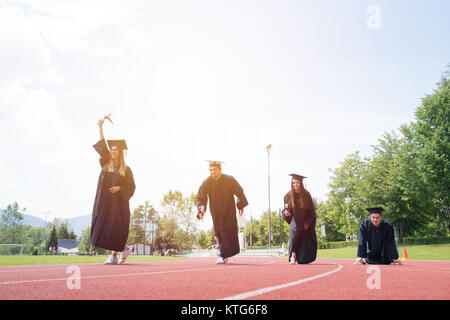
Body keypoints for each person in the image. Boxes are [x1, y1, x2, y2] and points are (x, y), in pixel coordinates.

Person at [91, 115, 136, 265]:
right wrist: (100, 127)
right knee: (105, 228)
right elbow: (102, 146)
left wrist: (120, 188)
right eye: (112, 149)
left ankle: (114, 255)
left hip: (119, 204)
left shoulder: (126, 169)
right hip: (105, 203)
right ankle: (125, 249)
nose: (113, 151)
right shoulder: (106, 164)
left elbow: (131, 187)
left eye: (116, 149)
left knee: (115, 228)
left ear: (120, 152)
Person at [196, 160, 248, 264]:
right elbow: (201, 196)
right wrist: (201, 208)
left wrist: (240, 205)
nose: (212, 172)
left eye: (214, 170)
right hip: (216, 211)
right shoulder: (207, 181)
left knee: (228, 230)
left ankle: (222, 254)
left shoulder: (229, 179)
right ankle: (223, 254)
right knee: (219, 231)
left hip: (228, 210)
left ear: (220, 169)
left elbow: (239, 192)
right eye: (210, 170)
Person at [282, 174, 317, 265]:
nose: (295, 185)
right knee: (295, 230)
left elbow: (311, 211)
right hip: (295, 220)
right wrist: (286, 214)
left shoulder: (306, 194)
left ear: (301, 183)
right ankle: (293, 254)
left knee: (303, 260)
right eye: (293, 183)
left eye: (297, 182)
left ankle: (299, 256)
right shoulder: (288, 196)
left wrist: (308, 222)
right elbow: (285, 210)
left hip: (304, 221)